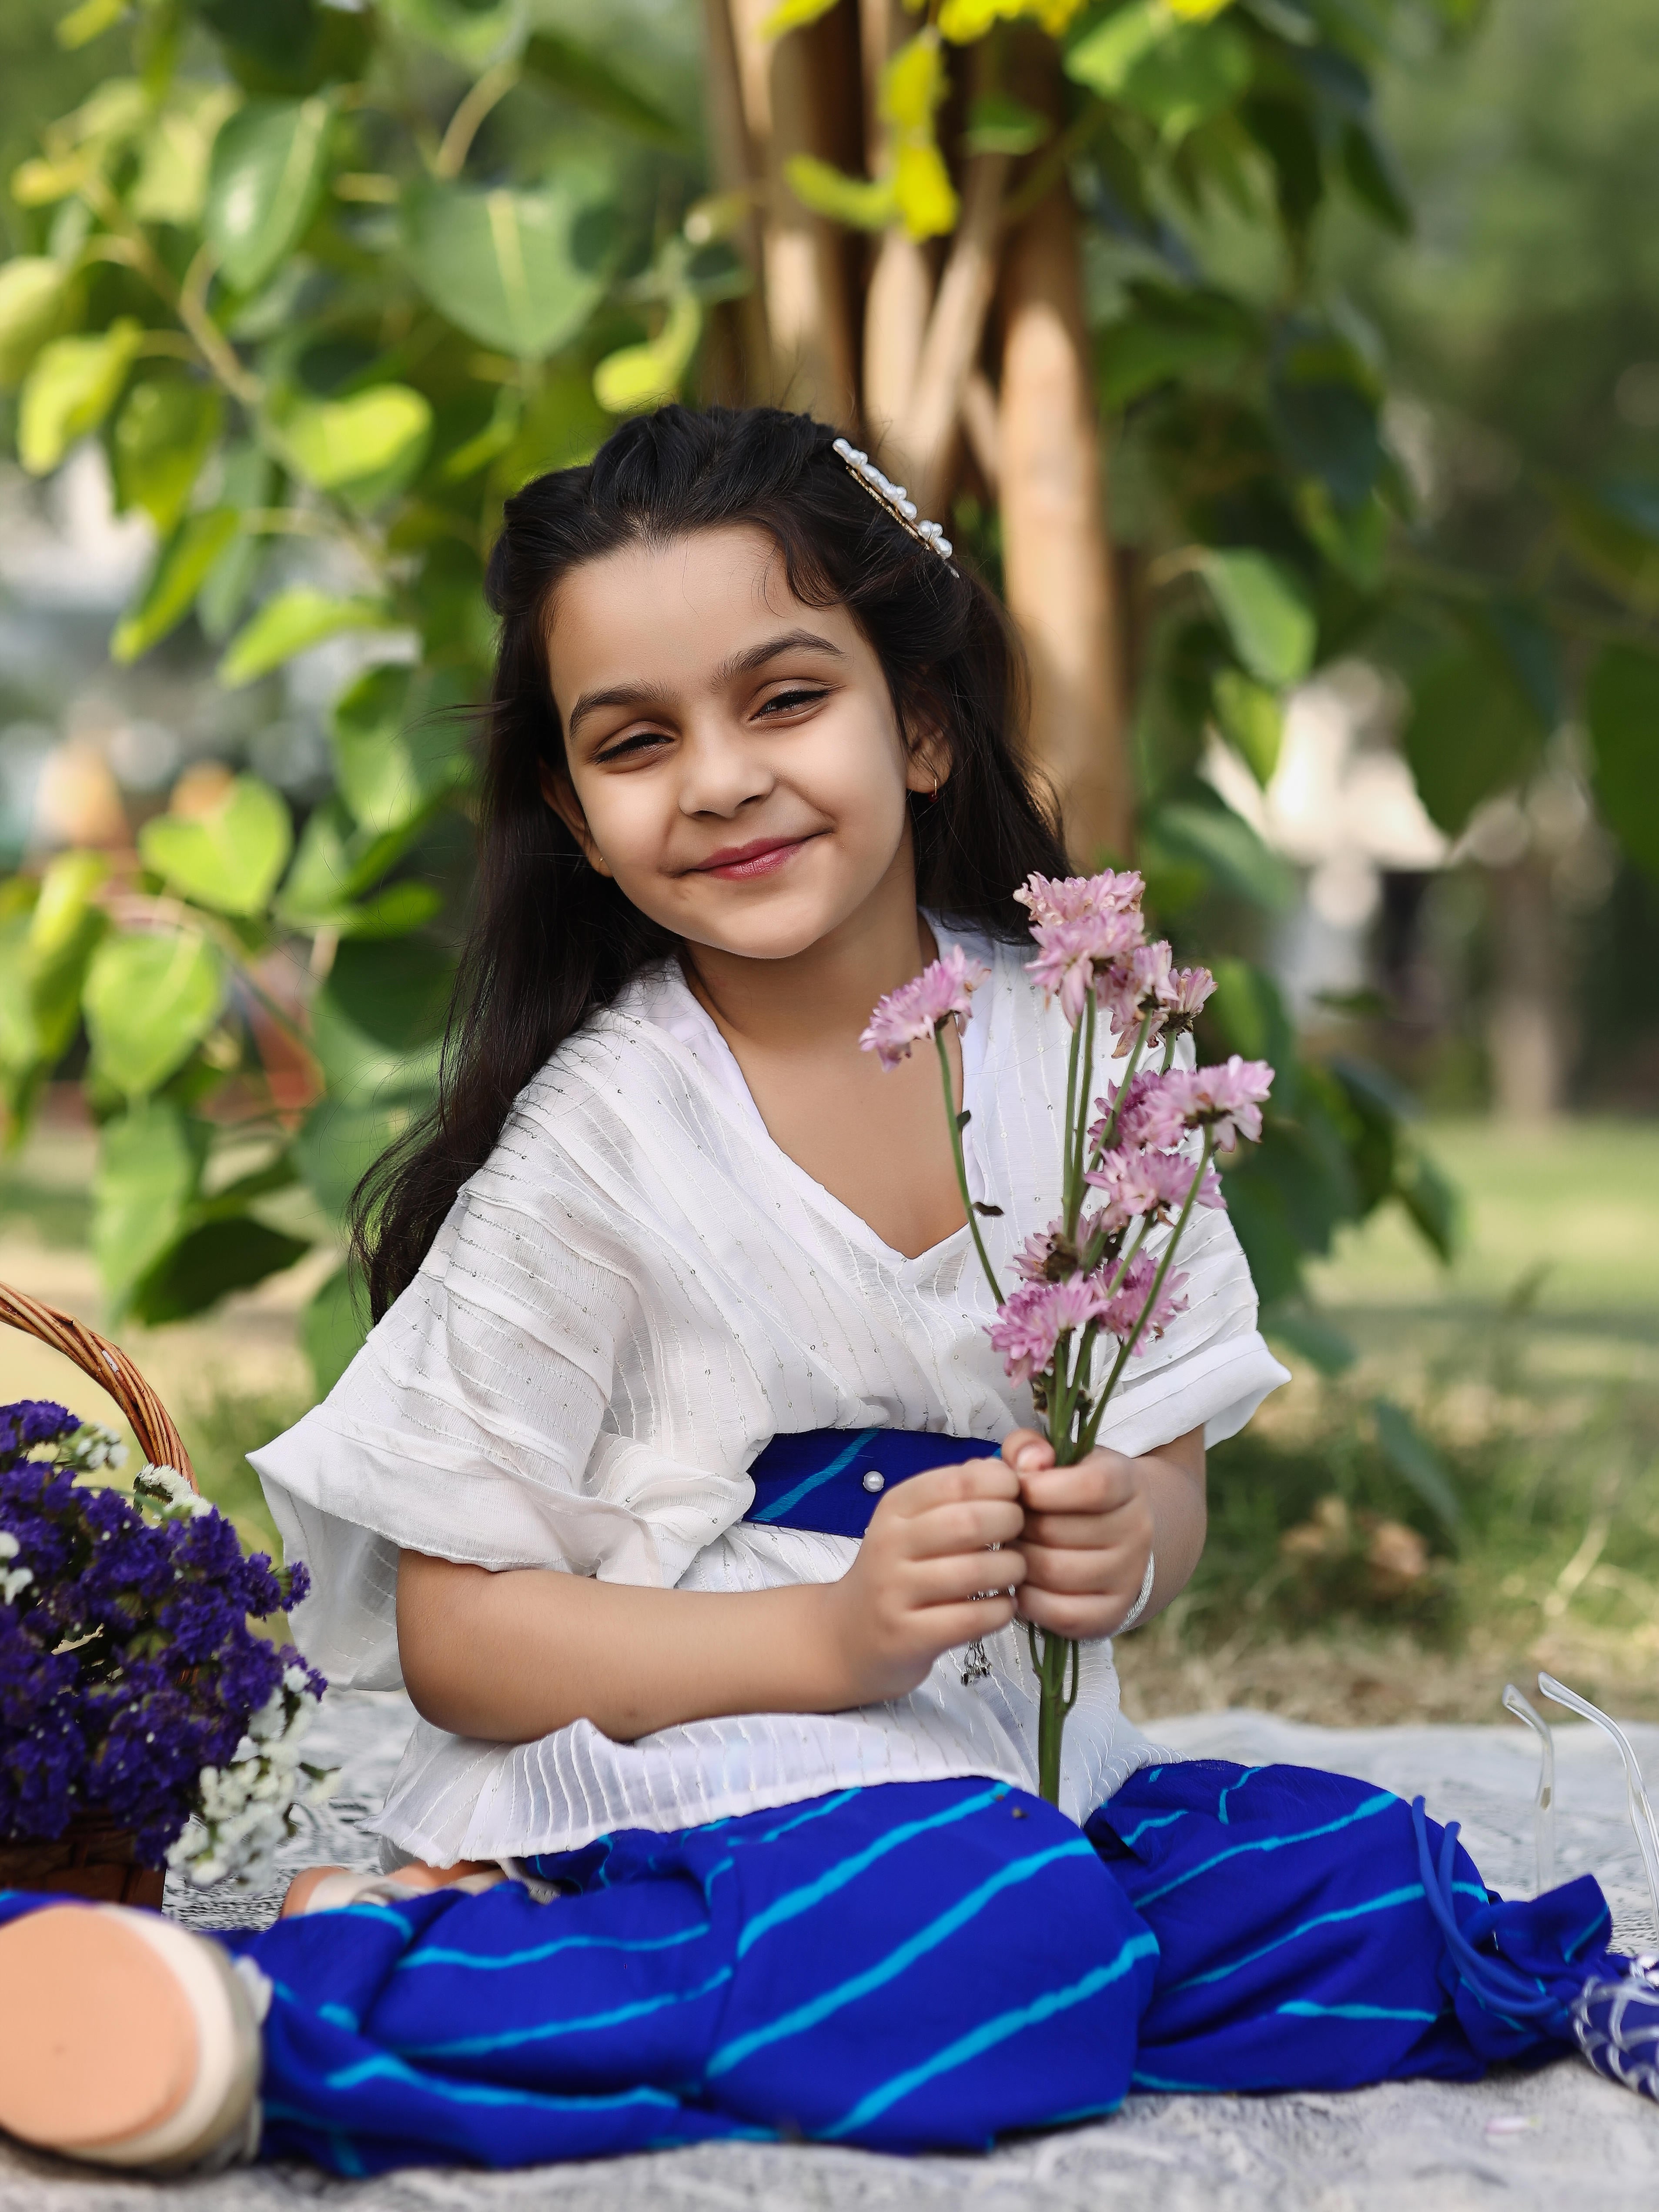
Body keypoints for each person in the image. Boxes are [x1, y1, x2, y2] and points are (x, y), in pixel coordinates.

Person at [1, 405, 1652, 2176]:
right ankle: (315, 1999)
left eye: (784, 700)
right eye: (637, 741)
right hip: (708, 1764)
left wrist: (1126, 1543)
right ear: (578, 816)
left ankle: (626, 1953)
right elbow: (458, 1645)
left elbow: (1165, 1476)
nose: (719, 779)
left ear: (922, 722)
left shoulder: (1089, 1051)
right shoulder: (601, 1146)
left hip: (1010, 1768)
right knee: (998, 1942)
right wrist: (835, 1639)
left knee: (1362, 1885)